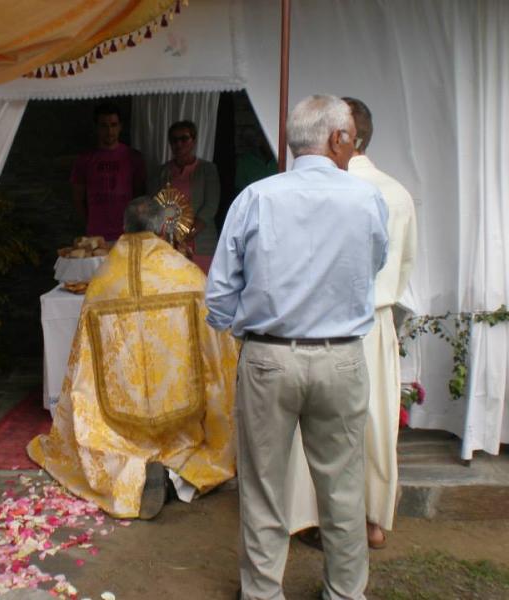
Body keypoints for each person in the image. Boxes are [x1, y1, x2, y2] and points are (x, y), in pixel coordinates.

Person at [205, 94, 389, 600]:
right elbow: (373, 264)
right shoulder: (365, 199)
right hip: (340, 356)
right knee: (343, 487)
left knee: (263, 487)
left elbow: (219, 292)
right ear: (337, 138)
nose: (352, 144)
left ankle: (263, 593)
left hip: (269, 356)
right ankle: (344, 592)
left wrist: (242, 331)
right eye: (350, 136)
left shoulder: (256, 198)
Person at [28, 196, 238, 520]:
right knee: (208, 448)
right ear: (163, 228)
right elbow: (216, 347)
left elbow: (84, 365)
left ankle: (131, 471)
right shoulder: (187, 276)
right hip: (181, 421)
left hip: (119, 422)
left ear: (124, 227)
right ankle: (173, 477)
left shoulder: (103, 282)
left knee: (105, 444)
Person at [284, 97, 418, 550]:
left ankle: (317, 516)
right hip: (376, 322)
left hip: (326, 321)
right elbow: (405, 265)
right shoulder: (397, 192)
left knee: (320, 422)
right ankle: (372, 519)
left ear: (340, 136)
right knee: (375, 423)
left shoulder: (323, 190)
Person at [70, 102, 146, 241]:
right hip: (96, 236)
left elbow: (139, 198)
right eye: (104, 126)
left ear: (120, 126)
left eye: (113, 125)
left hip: (127, 234)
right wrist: (90, 224)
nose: (109, 131)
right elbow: (78, 199)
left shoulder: (133, 157)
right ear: (96, 128)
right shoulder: (84, 160)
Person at [148, 120, 221, 255]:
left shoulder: (208, 170)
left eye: (184, 139)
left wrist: (188, 234)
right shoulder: (160, 173)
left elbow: (210, 206)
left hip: (201, 242)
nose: (179, 144)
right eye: (174, 140)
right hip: (168, 243)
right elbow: (153, 206)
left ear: (194, 140)